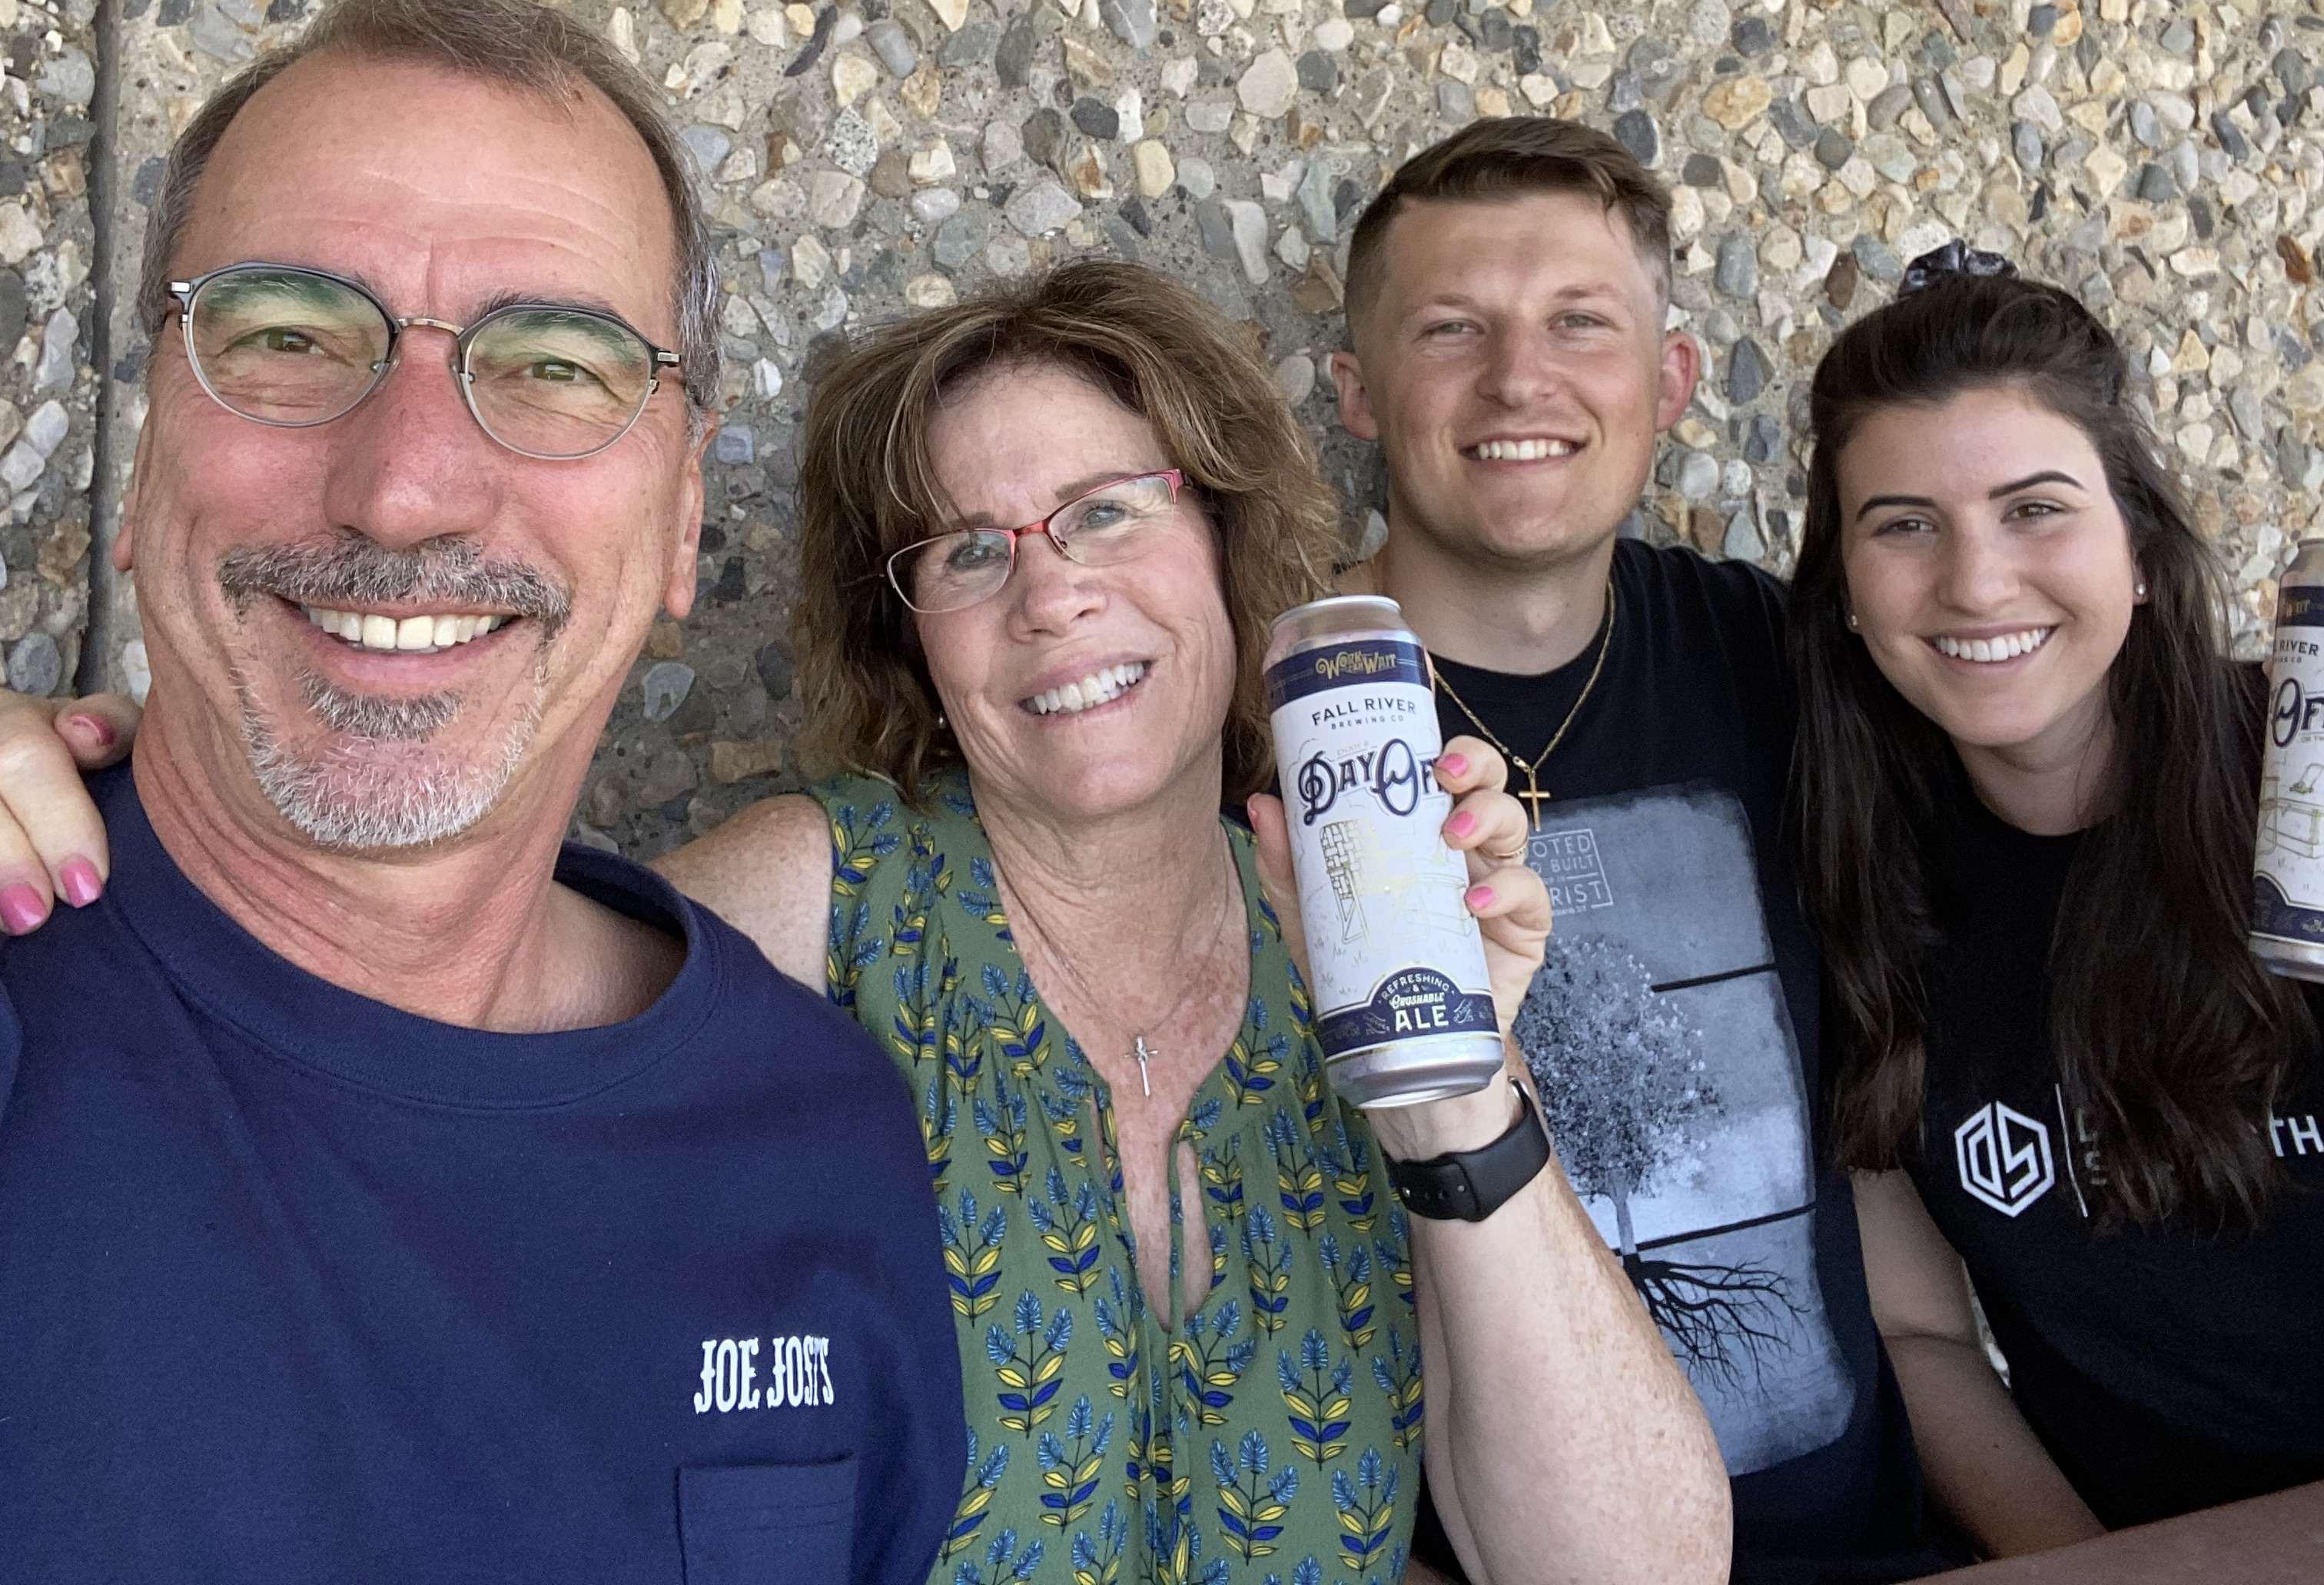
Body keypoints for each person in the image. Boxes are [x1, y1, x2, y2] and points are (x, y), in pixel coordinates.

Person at [0, 248, 1731, 1572]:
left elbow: (1636, 1564)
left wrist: (1460, 1112)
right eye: (966, 551)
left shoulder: (1355, 926)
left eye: (1108, 512)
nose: (1051, 594)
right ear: (910, 630)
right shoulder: (810, 901)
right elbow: (382, 1072)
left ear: (1226, 545)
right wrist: (156, 798)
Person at [0, 0, 968, 1582]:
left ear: (676, 522)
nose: (406, 491)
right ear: (147, 441)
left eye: (557, 363)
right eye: (290, 336)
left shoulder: (818, 1139)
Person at [1327, 118, 1945, 1582]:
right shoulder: (1273, 725)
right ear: (1357, 393)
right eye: (1452, 329)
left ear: (1668, 378)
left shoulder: (1784, 666)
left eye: (1580, 324)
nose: (1519, 381)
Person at [1786, 248, 2324, 1553]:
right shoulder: (1852, 874)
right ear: (1848, 589)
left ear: (2138, 547)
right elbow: (1921, 1329)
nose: (1975, 582)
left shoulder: (2301, 787)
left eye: (2036, 509)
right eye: (1904, 524)